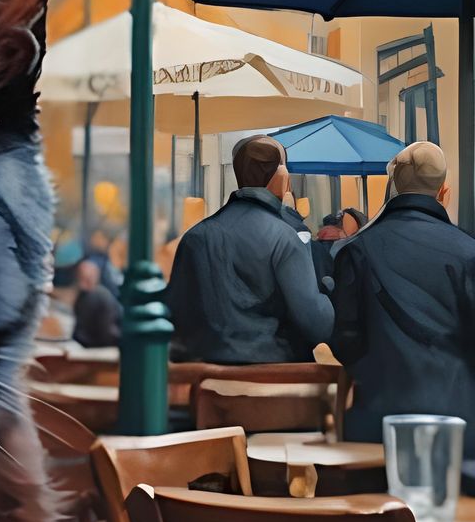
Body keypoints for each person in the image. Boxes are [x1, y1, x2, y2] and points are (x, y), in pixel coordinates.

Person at [330, 139, 475, 442]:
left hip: (377, 419)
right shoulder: (468, 253)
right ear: (443, 194)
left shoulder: (355, 252)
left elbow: (344, 342)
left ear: (391, 188)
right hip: (458, 422)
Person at [164, 133, 333, 363]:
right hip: (270, 376)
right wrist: (330, 290)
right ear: (282, 176)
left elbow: (175, 316)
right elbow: (317, 325)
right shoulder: (284, 237)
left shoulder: (196, 236)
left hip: (202, 376)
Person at [71, 256, 121, 347]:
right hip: (91, 344)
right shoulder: (88, 295)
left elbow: (106, 329)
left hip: (91, 344)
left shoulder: (99, 296)